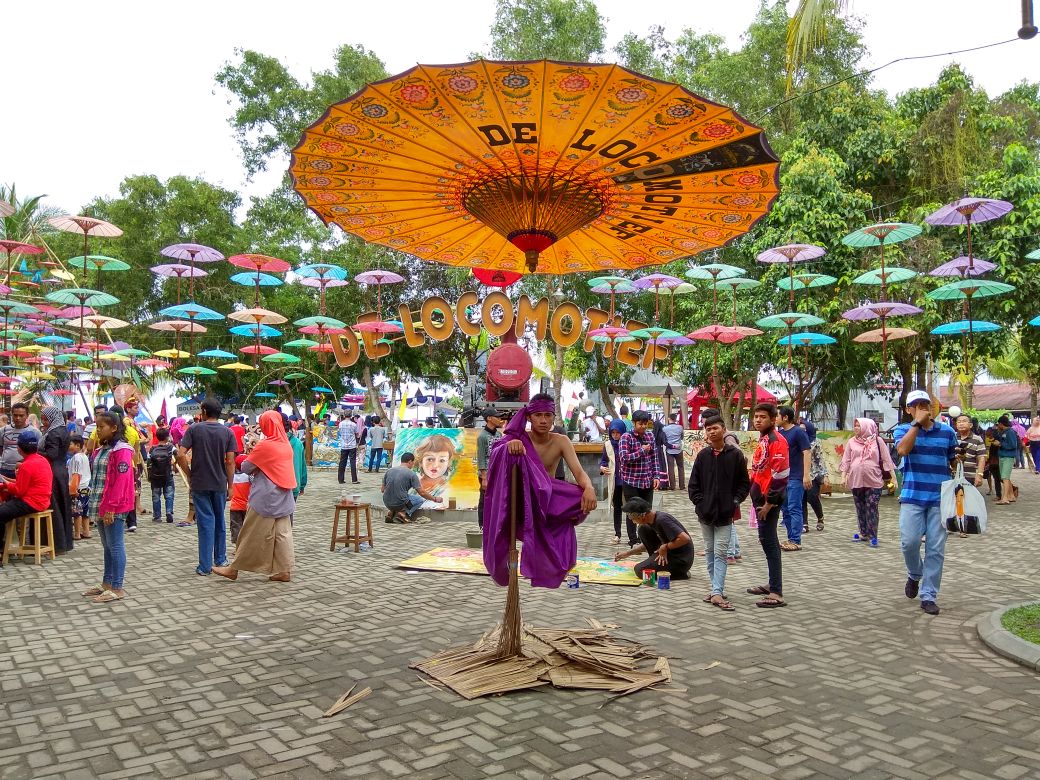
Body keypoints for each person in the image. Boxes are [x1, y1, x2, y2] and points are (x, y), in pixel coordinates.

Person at [894, 390, 958, 615]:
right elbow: (902, 450)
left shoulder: (948, 432)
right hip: (912, 496)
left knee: (936, 548)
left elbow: (952, 461)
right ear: (908, 409)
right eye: (916, 405)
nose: (921, 408)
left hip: (940, 498)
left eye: (925, 404)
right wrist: (916, 425)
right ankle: (914, 574)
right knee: (909, 542)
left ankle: (929, 595)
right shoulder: (903, 430)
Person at [213, 410, 297, 583]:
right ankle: (284, 570)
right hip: (284, 495)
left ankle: (233, 569)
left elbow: (245, 467)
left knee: (249, 533)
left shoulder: (266, 445)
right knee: (283, 534)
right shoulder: (285, 444)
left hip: (265, 497)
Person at [688, 415, 750, 610]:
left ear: (724, 430)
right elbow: (693, 484)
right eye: (708, 429)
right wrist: (700, 502)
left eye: (715, 428)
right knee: (709, 551)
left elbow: (744, 483)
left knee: (721, 553)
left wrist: (735, 501)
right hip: (705, 514)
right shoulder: (703, 456)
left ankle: (716, 591)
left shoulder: (735, 455)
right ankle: (716, 590)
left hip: (725, 514)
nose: (712, 432)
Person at [175, 399, 237, 576]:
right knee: (219, 520)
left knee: (205, 523)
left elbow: (180, 455)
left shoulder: (194, 429)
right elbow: (230, 461)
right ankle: (221, 559)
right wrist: (230, 486)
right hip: (219, 483)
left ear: (203, 411)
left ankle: (204, 566)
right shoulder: (227, 432)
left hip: (199, 483)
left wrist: (189, 473)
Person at [81, 412, 135, 603]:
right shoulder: (101, 449)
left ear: (113, 428)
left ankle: (117, 587)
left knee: (116, 545)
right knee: (107, 546)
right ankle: (107, 583)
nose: (98, 430)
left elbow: (120, 481)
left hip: (116, 505)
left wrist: (112, 506)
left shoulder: (122, 450)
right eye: (97, 427)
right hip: (101, 502)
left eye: (101, 427)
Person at [747, 402, 788, 608]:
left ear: (773, 420)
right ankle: (772, 583)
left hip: (768, 501)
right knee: (766, 540)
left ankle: (776, 592)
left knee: (770, 541)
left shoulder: (776, 441)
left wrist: (769, 504)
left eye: (762, 417)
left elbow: (781, 477)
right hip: (759, 498)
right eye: (756, 417)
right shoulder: (764, 439)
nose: (757, 420)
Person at [839, 418, 896, 547]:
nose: (856, 428)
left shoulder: (877, 441)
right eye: (855, 426)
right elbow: (846, 460)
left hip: (874, 479)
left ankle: (873, 535)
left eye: (858, 426)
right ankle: (863, 532)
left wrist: (893, 477)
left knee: (872, 505)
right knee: (860, 506)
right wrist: (843, 477)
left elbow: (887, 459)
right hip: (856, 479)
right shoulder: (851, 442)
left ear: (866, 427)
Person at [614, 497, 694, 580]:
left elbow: (685, 538)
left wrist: (665, 547)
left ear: (642, 516)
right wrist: (627, 553)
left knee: (640, 570)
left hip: (680, 560)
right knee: (643, 529)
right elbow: (646, 545)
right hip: (668, 554)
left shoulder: (662, 520)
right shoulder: (650, 521)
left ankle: (680, 573)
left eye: (632, 518)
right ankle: (655, 562)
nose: (632, 521)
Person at [0, 431, 53, 554]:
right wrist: (7, 482)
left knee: (1, 514)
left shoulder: (26, 465)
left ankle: (1, 551)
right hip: (43, 500)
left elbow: (19, 491)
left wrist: (6, 484)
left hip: (31, 502)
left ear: (19, 448)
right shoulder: (42, 460)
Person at [618, 410, 659, 546]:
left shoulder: (650, 436)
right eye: (640, 424)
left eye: (645, 423)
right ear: (634, 423)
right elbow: (624, 458)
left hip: (647, 480)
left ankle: (646, 538)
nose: (643, 426)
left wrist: (656, 476)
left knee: (647, 511)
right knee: (633, 511)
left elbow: (654, 457)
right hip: (631, 480)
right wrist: (641, 451)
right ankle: (633, 539)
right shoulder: (626, 437)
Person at [39, 406, 73, 553]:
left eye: (46, 419)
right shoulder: (63, 430)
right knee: (62, 506)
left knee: (54, 508)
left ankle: (56, 542)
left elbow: (51, 454)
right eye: (43, 419)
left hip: (52, 471)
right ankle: (63, 541)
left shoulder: (53, 433)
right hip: (61, 471)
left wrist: (35, 451)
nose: (44, 422)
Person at [777, 406, 810, 550]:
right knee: (785, 508)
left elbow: (807, 452)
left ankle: (796, 540)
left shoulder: (798, 432)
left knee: (794, 507)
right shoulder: (781, 433)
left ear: (785, 417)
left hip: (796, 476)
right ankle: (790, 538)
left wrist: (806, 475)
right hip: (783, 477)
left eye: (777, 415)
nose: (775, 418)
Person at [382, 452, 443, 523]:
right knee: (419, 499)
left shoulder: (389, 471)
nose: (413, 465)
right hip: (399, 503)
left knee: (402, 496)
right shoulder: (411, 474)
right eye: (413, 463)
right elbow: (422, 492)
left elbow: (383, 490)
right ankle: (402, 514)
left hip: (386, 502)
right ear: (410, 462)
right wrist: (434, 499)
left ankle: (391, 512)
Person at [476, 406, 504, 530]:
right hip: (487, 473)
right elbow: (481, 457)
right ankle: (482, 524)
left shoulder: (499, 434)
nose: (500, 419)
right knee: (484, 498)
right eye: (497, 417)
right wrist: (484, 478)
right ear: (489, 419)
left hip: (498, 472)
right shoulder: (482, 437)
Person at [599, 418, 626, 545]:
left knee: (631, 508)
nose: (615, 435)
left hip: (628, 480)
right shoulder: (608, 444)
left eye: (618, 433)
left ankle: (633, 537)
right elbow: (603, 461)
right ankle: (617, 533)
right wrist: (602, 468)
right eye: (613, 433)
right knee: (617, 508)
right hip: (615, 481)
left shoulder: (627, 442)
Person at [799, 419, 828, 532]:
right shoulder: (798, 441)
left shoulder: (815, 442)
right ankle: (804, 524)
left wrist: (825, 475)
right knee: (801, 499)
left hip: (813, 474)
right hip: (799, 474)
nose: (801, 432)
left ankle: (820, 518)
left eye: (804, 429)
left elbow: (820, 460)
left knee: (812, 497)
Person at [413, 433, 459, 498]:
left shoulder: (449, 488)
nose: (435, 465)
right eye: (430, 459)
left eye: (442, 460)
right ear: (421, 461)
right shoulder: (414, 487)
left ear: (448, 463)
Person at [0, 403, 38, 479]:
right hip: (5, 469)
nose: (18, 418)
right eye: (15, 415)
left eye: (21, 415)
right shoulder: (3, 430)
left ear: (27, 415)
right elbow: (0, 448)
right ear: (11, 415)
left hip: (25, 470)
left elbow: (38, 452)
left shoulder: (35, 432)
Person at [147, 427, 177, 524]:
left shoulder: (152, 449)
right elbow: (179, 455)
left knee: (156, 496)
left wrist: (149, 475)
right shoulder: (170, 447)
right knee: (169, 495)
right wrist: (175, 464)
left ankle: (157, 516)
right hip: (167, 475)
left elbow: (148, 463)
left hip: (155, 476)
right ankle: (169, 512)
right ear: (167, 437)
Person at [68, 435, 91, 540]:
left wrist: (73, 489)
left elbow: (76, 474)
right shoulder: (85, 456)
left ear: (77, 445)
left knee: (77, 513)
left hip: (78, 488)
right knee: (85, 512)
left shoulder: (76, 458)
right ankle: (86, 531)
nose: (68, 446)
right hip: (87, 487)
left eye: (70, 444)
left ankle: (77, 533)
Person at [995, 415, 1019, 505]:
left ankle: (1004, 498)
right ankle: (1011, 496)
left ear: (1001, 424)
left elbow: (1013, 445)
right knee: (1005, 477)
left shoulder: (1010, 432)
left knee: (1005, 477)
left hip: (1008, 457)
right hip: (1002, 456)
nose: (998, 426)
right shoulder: (1003, 432)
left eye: (998, 424)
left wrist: (1001, 444)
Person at [228, 455, 251, 544]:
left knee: (236, 526)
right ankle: (246, 545)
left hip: (234, 507)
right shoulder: (249, 477)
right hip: (247, 506)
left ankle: (237, 546)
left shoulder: (231, 477)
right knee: (247, 526)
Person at [285, 413, 307, 500]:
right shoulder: (298, 443)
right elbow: (303, 466)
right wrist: (302, 485)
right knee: (289, 512)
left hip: (277, 486)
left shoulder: (275, 442)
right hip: (294, 484)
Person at [662, 413, 685, 492]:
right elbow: (682, 437)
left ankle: (672, 486)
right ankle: (682, 485)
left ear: (669, 419)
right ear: (676, 419)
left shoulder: (665, 428)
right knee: (681, 467)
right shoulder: (680, 427)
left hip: (669, 450)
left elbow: (664, 439)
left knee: (671, 468)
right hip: (678, 449)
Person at [337, 415, 359, 484]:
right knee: (353, 462)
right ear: (351, 415)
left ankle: (340, 479)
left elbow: (339, 432)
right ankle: (354, 479)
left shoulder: (341, 424)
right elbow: (357, 434)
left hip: (343, 445)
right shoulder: (353, 424)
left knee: (342, 462)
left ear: (344, 415)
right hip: (352, 445)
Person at [984, 427, 1003, 499]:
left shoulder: (996, 441)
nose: (988, 437)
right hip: (992, 461)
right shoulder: (994, 440)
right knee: (998, 478)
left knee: (999, 478)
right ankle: (998, 494)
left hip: (995, 461)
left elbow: (995, 452)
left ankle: (1000, 494)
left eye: (989, 435)